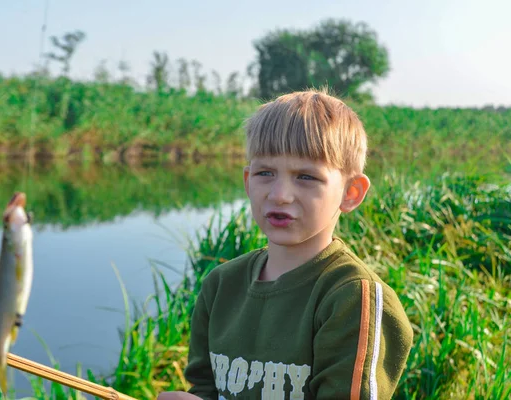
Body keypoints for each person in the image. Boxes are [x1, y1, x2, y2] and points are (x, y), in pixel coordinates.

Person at [158, 88, 414, 400]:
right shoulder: (221, 285)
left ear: (351, 193)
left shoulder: (352, 296)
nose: (279, 194)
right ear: (247, 182)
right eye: (265, 173)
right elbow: (206, 387)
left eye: (306, 177)